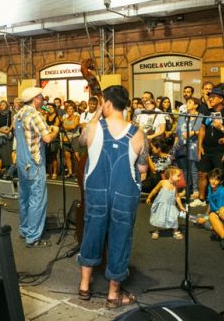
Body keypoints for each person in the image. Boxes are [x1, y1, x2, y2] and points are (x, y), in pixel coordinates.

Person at [78, 85, 147, 307]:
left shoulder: (94, 128)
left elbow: (80, 143)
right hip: (123, 194)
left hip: (97, 193)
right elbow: (143, 169)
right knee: (120, 240)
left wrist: (96, 113)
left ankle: (84, 286)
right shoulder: (137, 133)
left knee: (91, 235)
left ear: (106, 102)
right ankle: (113, 295)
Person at [14, 87, 59, 248]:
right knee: (37, 199)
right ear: (35, 99)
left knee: (24, 197)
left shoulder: (18, 115)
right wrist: (55, 130)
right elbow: (47, 138)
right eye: (40, 97)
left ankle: (25, 229)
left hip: (21, 161)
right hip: (34, 163)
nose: (43, 99)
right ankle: (33, 237)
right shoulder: (35, 115)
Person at [194, 87, 224, 207]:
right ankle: (201, 198)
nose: (210, 99)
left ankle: (221, 201)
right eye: (210, 97)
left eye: (213, 97)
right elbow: (202, 129)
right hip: (207, 149)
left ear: (221, 99)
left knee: (221, 175)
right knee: (202, 173)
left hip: (221, 150)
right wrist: (200, 146)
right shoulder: (208, 113)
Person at [172, 97, 202, 197]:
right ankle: (187, 189)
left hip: (193, 145)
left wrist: (192, 133)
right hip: (181, 145)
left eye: (190, 102)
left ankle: (196, 190)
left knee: (193, 168)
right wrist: (174, 146)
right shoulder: (182, 116)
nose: (187, 104)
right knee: (184, 169)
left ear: (196, 105)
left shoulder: (200, 116)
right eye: (187, 102)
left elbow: (200, 131)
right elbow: (177, 132)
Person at [146, 166, 186, 240]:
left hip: (171, 205)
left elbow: (177, 197)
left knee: (174, 218)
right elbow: (155, 190)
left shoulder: (174, 186)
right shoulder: (163, 182)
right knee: (158, 217)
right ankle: (156, 231)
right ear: (171, 175)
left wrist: (180, 206)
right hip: (161, 204)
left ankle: (175, 231)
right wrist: (149, 197)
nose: (179, 178)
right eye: (178, 176)